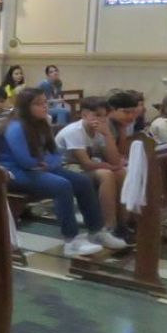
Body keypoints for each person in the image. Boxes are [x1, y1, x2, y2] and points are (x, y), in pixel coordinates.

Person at [0, 89, 107, 256]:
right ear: (26, 107)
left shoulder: (42, 122)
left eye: (45, 103)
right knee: (62, 186)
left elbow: (55, 153)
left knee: (82, 182)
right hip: (13, 172)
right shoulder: (15, 127)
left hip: (39, 167)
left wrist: (49, 164)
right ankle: (71, 240)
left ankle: (95, 231)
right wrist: (46, 163)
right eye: (39, 104)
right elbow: (24, 160)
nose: (45, 107)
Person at [55, 97, 131, 247]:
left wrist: (108, 135)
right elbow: (86, 164)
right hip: (66, 168)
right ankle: (108, 226)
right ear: (84, 114)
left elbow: (114, 160)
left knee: (121, 172)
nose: (101, 119)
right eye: (97, 115)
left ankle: (124, 223)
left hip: (84, 167)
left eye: (104, 116)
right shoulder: (74, 131)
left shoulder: (100, 130)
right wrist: (110, 167)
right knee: (106, 174)